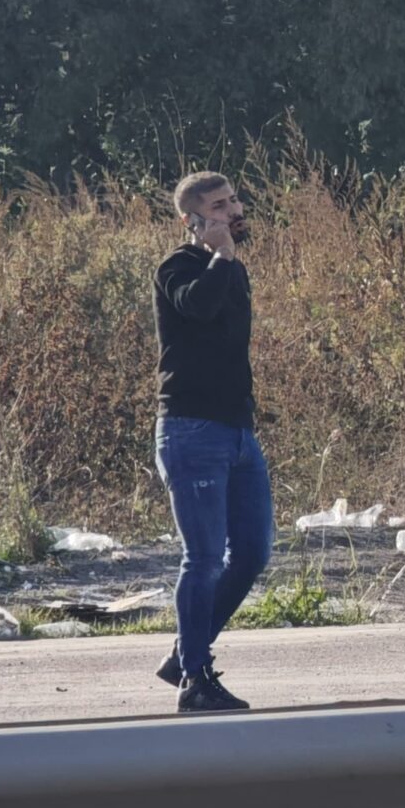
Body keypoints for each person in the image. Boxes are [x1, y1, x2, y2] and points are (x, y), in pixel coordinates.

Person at [153, 172, 271, 713]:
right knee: (202, 558)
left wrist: (227, 260)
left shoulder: (234, 270)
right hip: (191, 430)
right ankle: (195, 681)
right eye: (220, 206)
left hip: (238, 433)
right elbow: (196, 308)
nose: (234, 211)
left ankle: (185, 653)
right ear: (193, 220)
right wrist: (219, 257)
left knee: (251, 552)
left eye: (234, 201)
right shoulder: (177, 268)